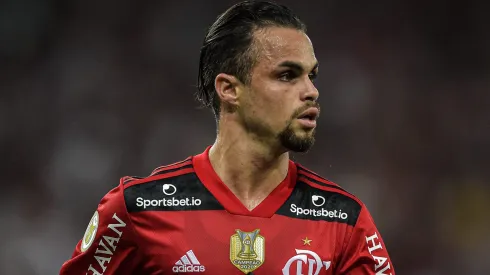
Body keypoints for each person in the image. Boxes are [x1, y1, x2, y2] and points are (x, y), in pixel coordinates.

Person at [60, 1, 395, 274]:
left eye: (312, 76)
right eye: (287, 75)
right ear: (230, 89)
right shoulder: (136, 210)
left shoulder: (345, 221)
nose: (311, 91)